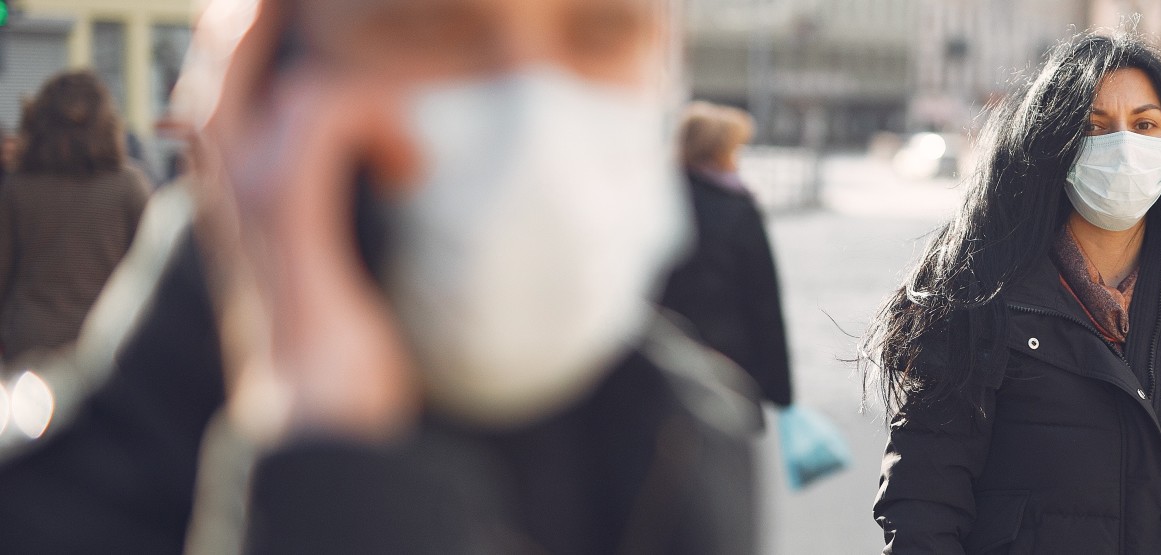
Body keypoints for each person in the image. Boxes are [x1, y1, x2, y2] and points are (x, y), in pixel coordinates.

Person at [0, 1, 762, 553]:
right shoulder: (38, 504)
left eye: (601, 31)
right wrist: (332, 481)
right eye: (431, 25)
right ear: (267, 76)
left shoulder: (688, 436)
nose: (531, 106)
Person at [868, 32, 1161, 555]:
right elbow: (923, 508)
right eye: (1094, 127)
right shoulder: (976, 299)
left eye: (1144, 124)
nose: (1123, 146)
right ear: (1051, 144)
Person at [0, 71, 152, 363]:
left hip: (31, 346)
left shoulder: (17, 189)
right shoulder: (129, 188)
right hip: (108, 347)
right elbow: (152, 277)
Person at [661, 101, 794, 408]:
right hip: (726, 364)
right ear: (721, 150)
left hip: (660, 356)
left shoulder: (654, 198)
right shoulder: (736, 208)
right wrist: (780, 395)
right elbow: (763, 302)